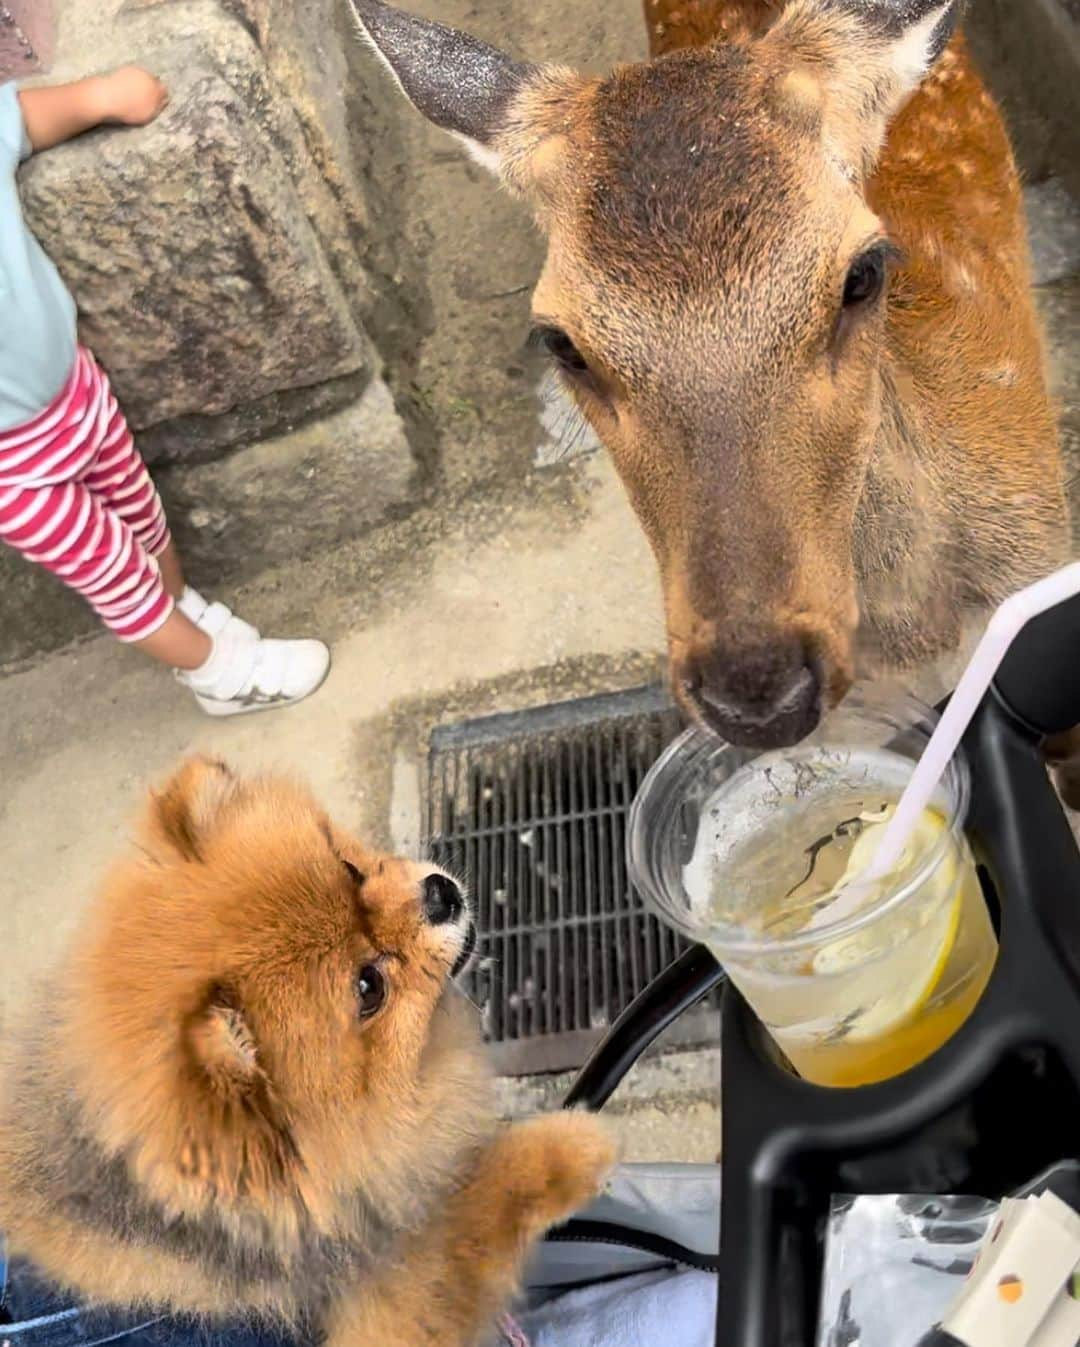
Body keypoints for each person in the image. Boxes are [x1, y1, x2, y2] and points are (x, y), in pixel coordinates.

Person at [0, 66, 330, 715]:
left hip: (77, 392)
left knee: (144, 513)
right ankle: (223, 675)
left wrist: (99, 98)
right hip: (16, 473)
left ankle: (184, 608)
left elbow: (20, 118)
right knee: (117, 574)